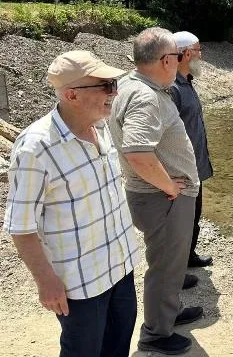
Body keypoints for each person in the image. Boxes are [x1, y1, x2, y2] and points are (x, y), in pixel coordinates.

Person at [3, 50, 139, 357]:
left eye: (113, 84)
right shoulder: (36, 148)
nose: (114, 92)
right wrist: (46, 281)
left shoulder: (101, 127)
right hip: (80, 284)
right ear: (72, 95)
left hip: (120, 268)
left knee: (117, 347)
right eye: (105, 86)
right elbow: (20, 226)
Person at [109, 27, 203, 355]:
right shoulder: (146, 96)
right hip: (162, 199)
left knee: (171, 262)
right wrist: (170, 186)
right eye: (178, 57)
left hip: (159, 197)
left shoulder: (132, 84)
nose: (181, 62)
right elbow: (137, 152)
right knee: (165, 265)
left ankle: (169, 312)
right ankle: (156, 334)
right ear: (166, 60)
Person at [169, 31, 214, 268]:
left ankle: (188, 257)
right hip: (181, 171)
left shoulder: (186, 81)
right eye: (198, 51)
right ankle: (176, 270)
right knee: (180, 221)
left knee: (193, 217)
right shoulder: (173, 88)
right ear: (186, 54)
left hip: (194, 166)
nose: (201, 56)